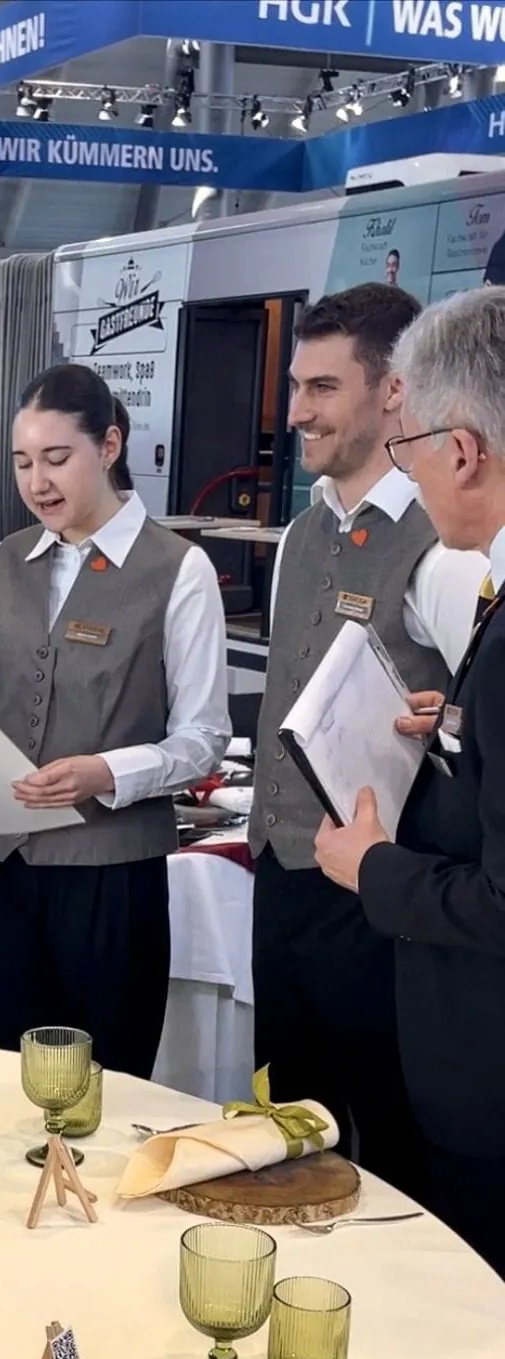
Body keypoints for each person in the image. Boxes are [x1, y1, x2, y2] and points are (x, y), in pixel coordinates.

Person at [0, 364, 230, 1077]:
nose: (37, 482)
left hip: (108, 877)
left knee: (107, 1083)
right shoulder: (7, 560)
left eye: (56, 459)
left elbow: (204, 736)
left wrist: (105, 772)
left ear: (109, 445)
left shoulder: (178, 569)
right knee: (1, 1075)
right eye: (23, 463)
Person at [251, 284, 484, 1186]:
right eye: (296, 387)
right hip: (281, 876)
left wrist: (449, 723)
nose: (297, 411)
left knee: (381, 1138)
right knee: (279, 1120)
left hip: (377, 898)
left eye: (321, 389)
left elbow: (480, 726)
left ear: (393, 392)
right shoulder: (304, 531)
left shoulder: (445, 542)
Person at [317, 285, 505, 1276]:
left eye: (409, 444)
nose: (408, 471)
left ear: (462, 450)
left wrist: (371, 865)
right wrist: (465, 730)